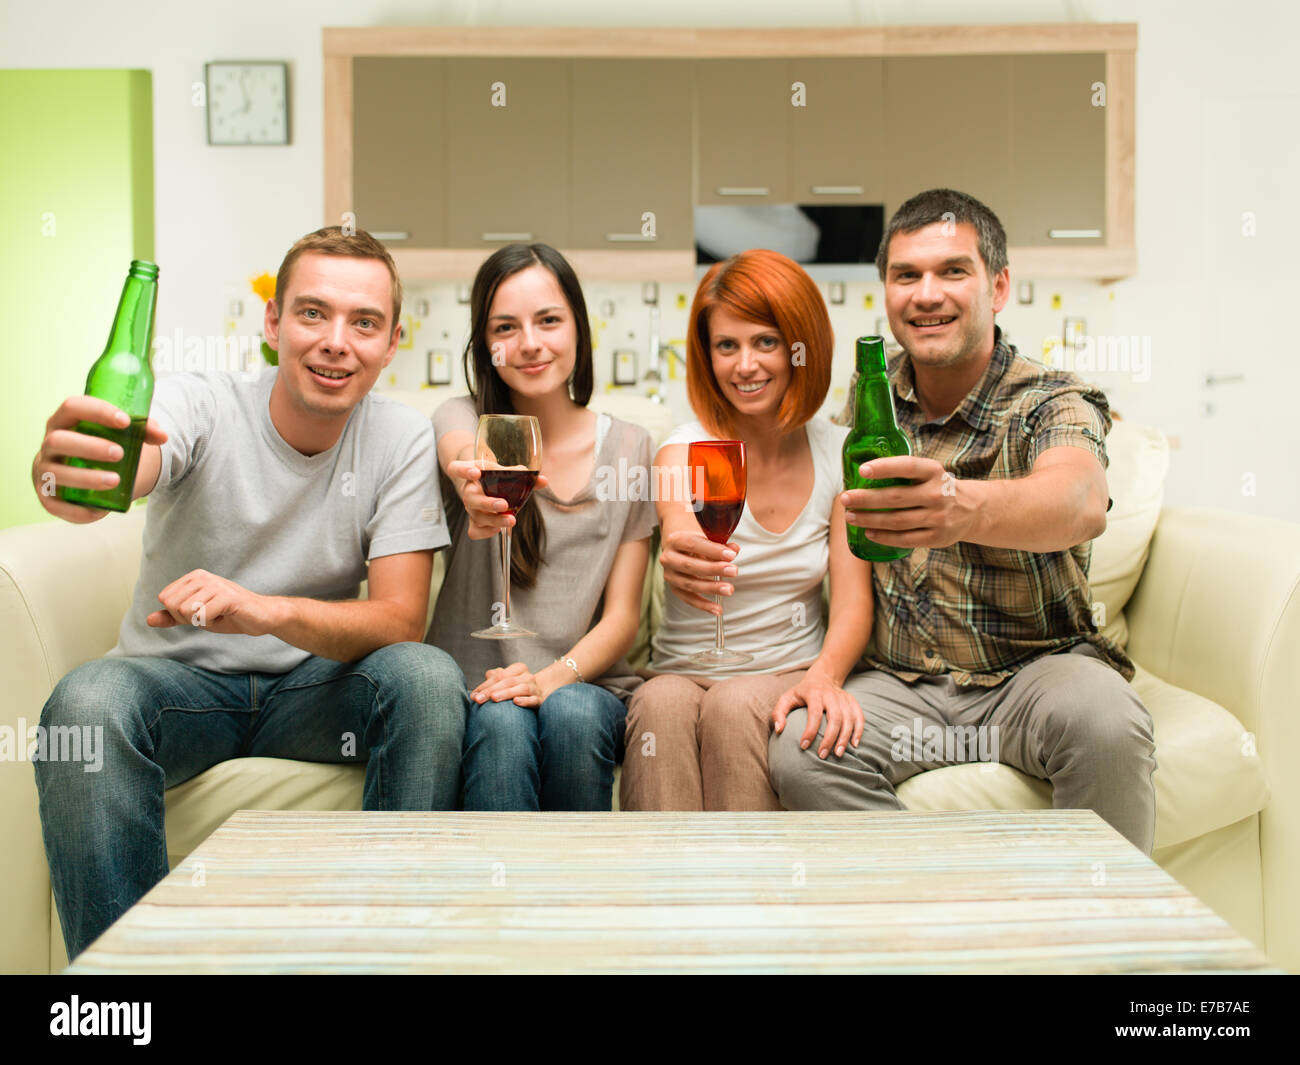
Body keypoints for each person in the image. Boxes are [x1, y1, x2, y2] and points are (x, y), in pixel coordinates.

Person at [31, 227, 468, 959]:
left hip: (312, 693)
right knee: (85, 704)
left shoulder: (400, 439)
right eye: (312, 313)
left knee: (427, 678)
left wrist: (264, 610)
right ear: (272, 324)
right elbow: (124, 471)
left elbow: (400, 620)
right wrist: (74, 482)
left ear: (391, 343)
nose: (336, 341)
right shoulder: (202, 402)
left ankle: (391, 960)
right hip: (178, 687)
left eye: (363, 323)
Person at [768, 188, 1157, 853]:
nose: (927, 294)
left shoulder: (1051, 398)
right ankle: (935, 914)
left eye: (953, 271)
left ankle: (1100, 943)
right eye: (906, 275)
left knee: (1107, 723)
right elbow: (841, 552)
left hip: (1034, 672)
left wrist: (958, 507)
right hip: (899, 683)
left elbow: (1081, 500)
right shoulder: (865, 406)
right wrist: (824, 672)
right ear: (885, 291)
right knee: (801, 752)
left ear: (998, 286)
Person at [619, 248, 872, 811]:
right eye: (725, 346)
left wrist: (825, 678)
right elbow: (679, 525)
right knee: (659, 706)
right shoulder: (682, 449)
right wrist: (683, 556)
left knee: (734, 705)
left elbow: (853, 602)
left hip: (784, 668)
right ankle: (659, 895)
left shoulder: (838, 452)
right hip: (681, 670)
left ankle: (750, 892)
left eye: (765, 342)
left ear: (800, 347)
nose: (744, 365)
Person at [426, 243, 655, 811]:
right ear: (485, 345)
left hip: (584, 683)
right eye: (506, 327)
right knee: (501, 723)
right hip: (477, 683)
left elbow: (624, 615)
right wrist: (475, 488)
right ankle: (500, 897)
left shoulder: (631, 446)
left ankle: (574, 897)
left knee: (573, 713)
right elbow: (465, 457)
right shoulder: (462, 417)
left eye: (549, 320)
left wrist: (551, 678)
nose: (529, 343)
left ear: (578, 325)